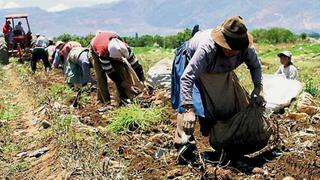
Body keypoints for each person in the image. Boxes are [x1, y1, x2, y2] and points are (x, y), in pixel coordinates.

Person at [173, 16, 263, 155]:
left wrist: (258, 88)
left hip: (221, 70)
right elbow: (187, 78)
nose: (234, 52)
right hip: (191, 63)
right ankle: (185, 143)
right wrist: (189, 110)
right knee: (189, 104)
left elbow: (255, 67)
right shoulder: (207, 48)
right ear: (222, 42)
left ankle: (230, 138)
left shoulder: (245, 48)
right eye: (230, 48)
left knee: (230, 102)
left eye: (236, 49)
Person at [90, 31, 145, 104]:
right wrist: (126, 85)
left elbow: (136, 65)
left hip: (109, 44)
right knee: (101, 76)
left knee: (121, 71)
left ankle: (123, 98)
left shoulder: (126, 49)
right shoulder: (103, 54)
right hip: (95, 47)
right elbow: (111, 73)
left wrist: (142, 80)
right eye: (117, 59)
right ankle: (105, 102)